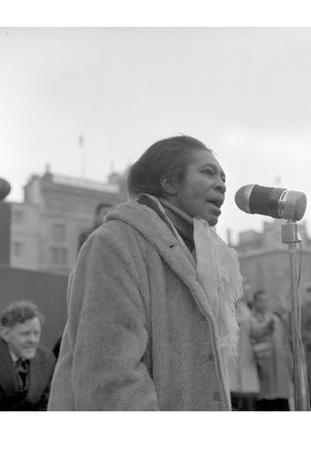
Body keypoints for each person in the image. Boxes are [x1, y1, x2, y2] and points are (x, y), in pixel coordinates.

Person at [48, 135, 243, 411]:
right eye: (208, 172)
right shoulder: (115, 242)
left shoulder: (202, 255)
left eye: (223, 176)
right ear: (169, 183)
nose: (222, 184)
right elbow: (110, 376)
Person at [0, 300, 56, 411]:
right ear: (6, 334)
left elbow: (45, 405)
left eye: (36, 333)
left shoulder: (48, 359)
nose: (33, 340)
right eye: (25, 334)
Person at [250, 290, 293, 411]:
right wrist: (267, 326)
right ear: (255, 302)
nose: (264, 303)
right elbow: (255, 333)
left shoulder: (275, 319)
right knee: (265, 401)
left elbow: (285, 341)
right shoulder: (251, 319)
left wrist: (289, 362)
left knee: (282, 401)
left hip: (280, 366)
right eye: (261, 300)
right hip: (262, 367)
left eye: (266, 300)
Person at [228, 292, 260, 411]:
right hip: (231, 353)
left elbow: (256, 331)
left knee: (247, 387)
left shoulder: (248, 314)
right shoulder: (227, 312)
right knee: (231, 384)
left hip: (246, 353)